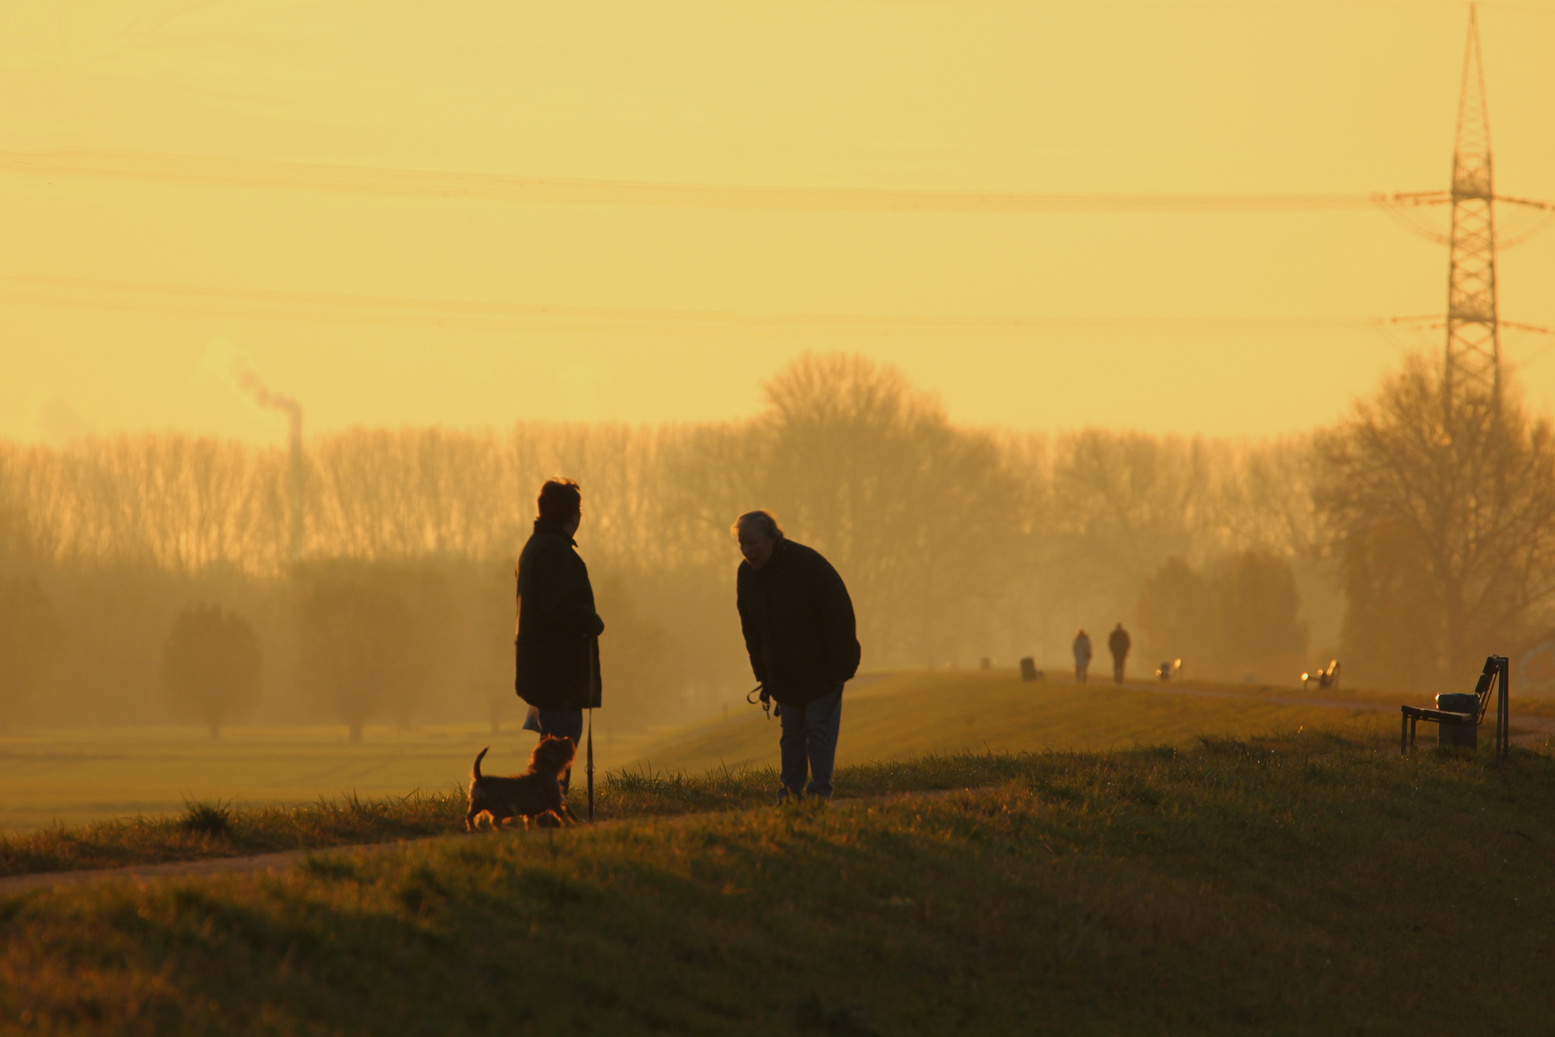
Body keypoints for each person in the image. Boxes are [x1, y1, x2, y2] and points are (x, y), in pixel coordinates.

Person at [733, 510, 860, 803]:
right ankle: (790, 793)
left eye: (753, 543)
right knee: (791, 732)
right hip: (784, 673)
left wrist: (842, 667)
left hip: (822, 670)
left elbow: (838, 613)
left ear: (772, 538)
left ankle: (819, 793)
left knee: (818, 729)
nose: (747, 551)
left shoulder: (807, 565)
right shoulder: (746, 575)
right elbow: (750, 628)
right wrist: (763, 673)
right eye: (742, 544)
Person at [514, 478, 603, 794]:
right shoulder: (556, 552)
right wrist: (592, 621)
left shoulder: (534, 547)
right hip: (558, 673)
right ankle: (548, 811)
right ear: (574, 515)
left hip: (542, 670)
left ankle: (541, 809)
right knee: (560, 751)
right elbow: (561, 610)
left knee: (548, 749)